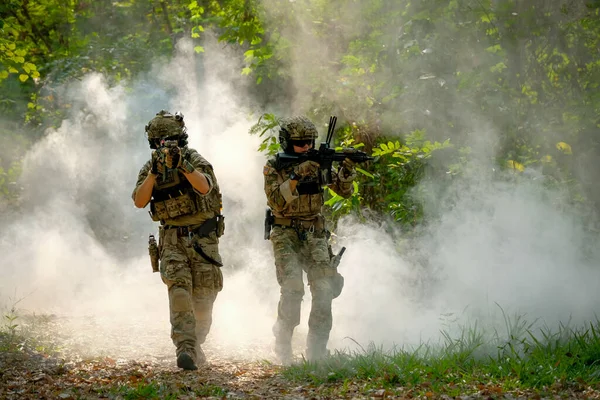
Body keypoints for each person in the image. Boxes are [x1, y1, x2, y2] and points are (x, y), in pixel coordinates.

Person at [132, 110, 225, 371]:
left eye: (171, 140)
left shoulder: (195, 160)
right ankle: (184, 347)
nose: (166, 147)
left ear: (181, 139)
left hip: (203, 241)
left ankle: (196, 344)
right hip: (173, 240)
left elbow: (205, 187)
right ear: (154, 144)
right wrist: (153, 173)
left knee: (204, 301)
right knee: (180, 293)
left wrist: (183, 166)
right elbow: (140, 201)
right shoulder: (150, 168)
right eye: (161, 142)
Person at [263, 115, 356, 364]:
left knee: (324, 291)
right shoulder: (275, 166)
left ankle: (317, 353)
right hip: (285, 233)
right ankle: (283, 339)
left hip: (314, 234)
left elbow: (344, 191)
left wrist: (346, 171)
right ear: (286, 143)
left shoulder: (319, 164)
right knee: (293, 289)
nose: (306, 148)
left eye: (310, 142)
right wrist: (297, 174)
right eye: (300, 143)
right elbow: (276, 201)